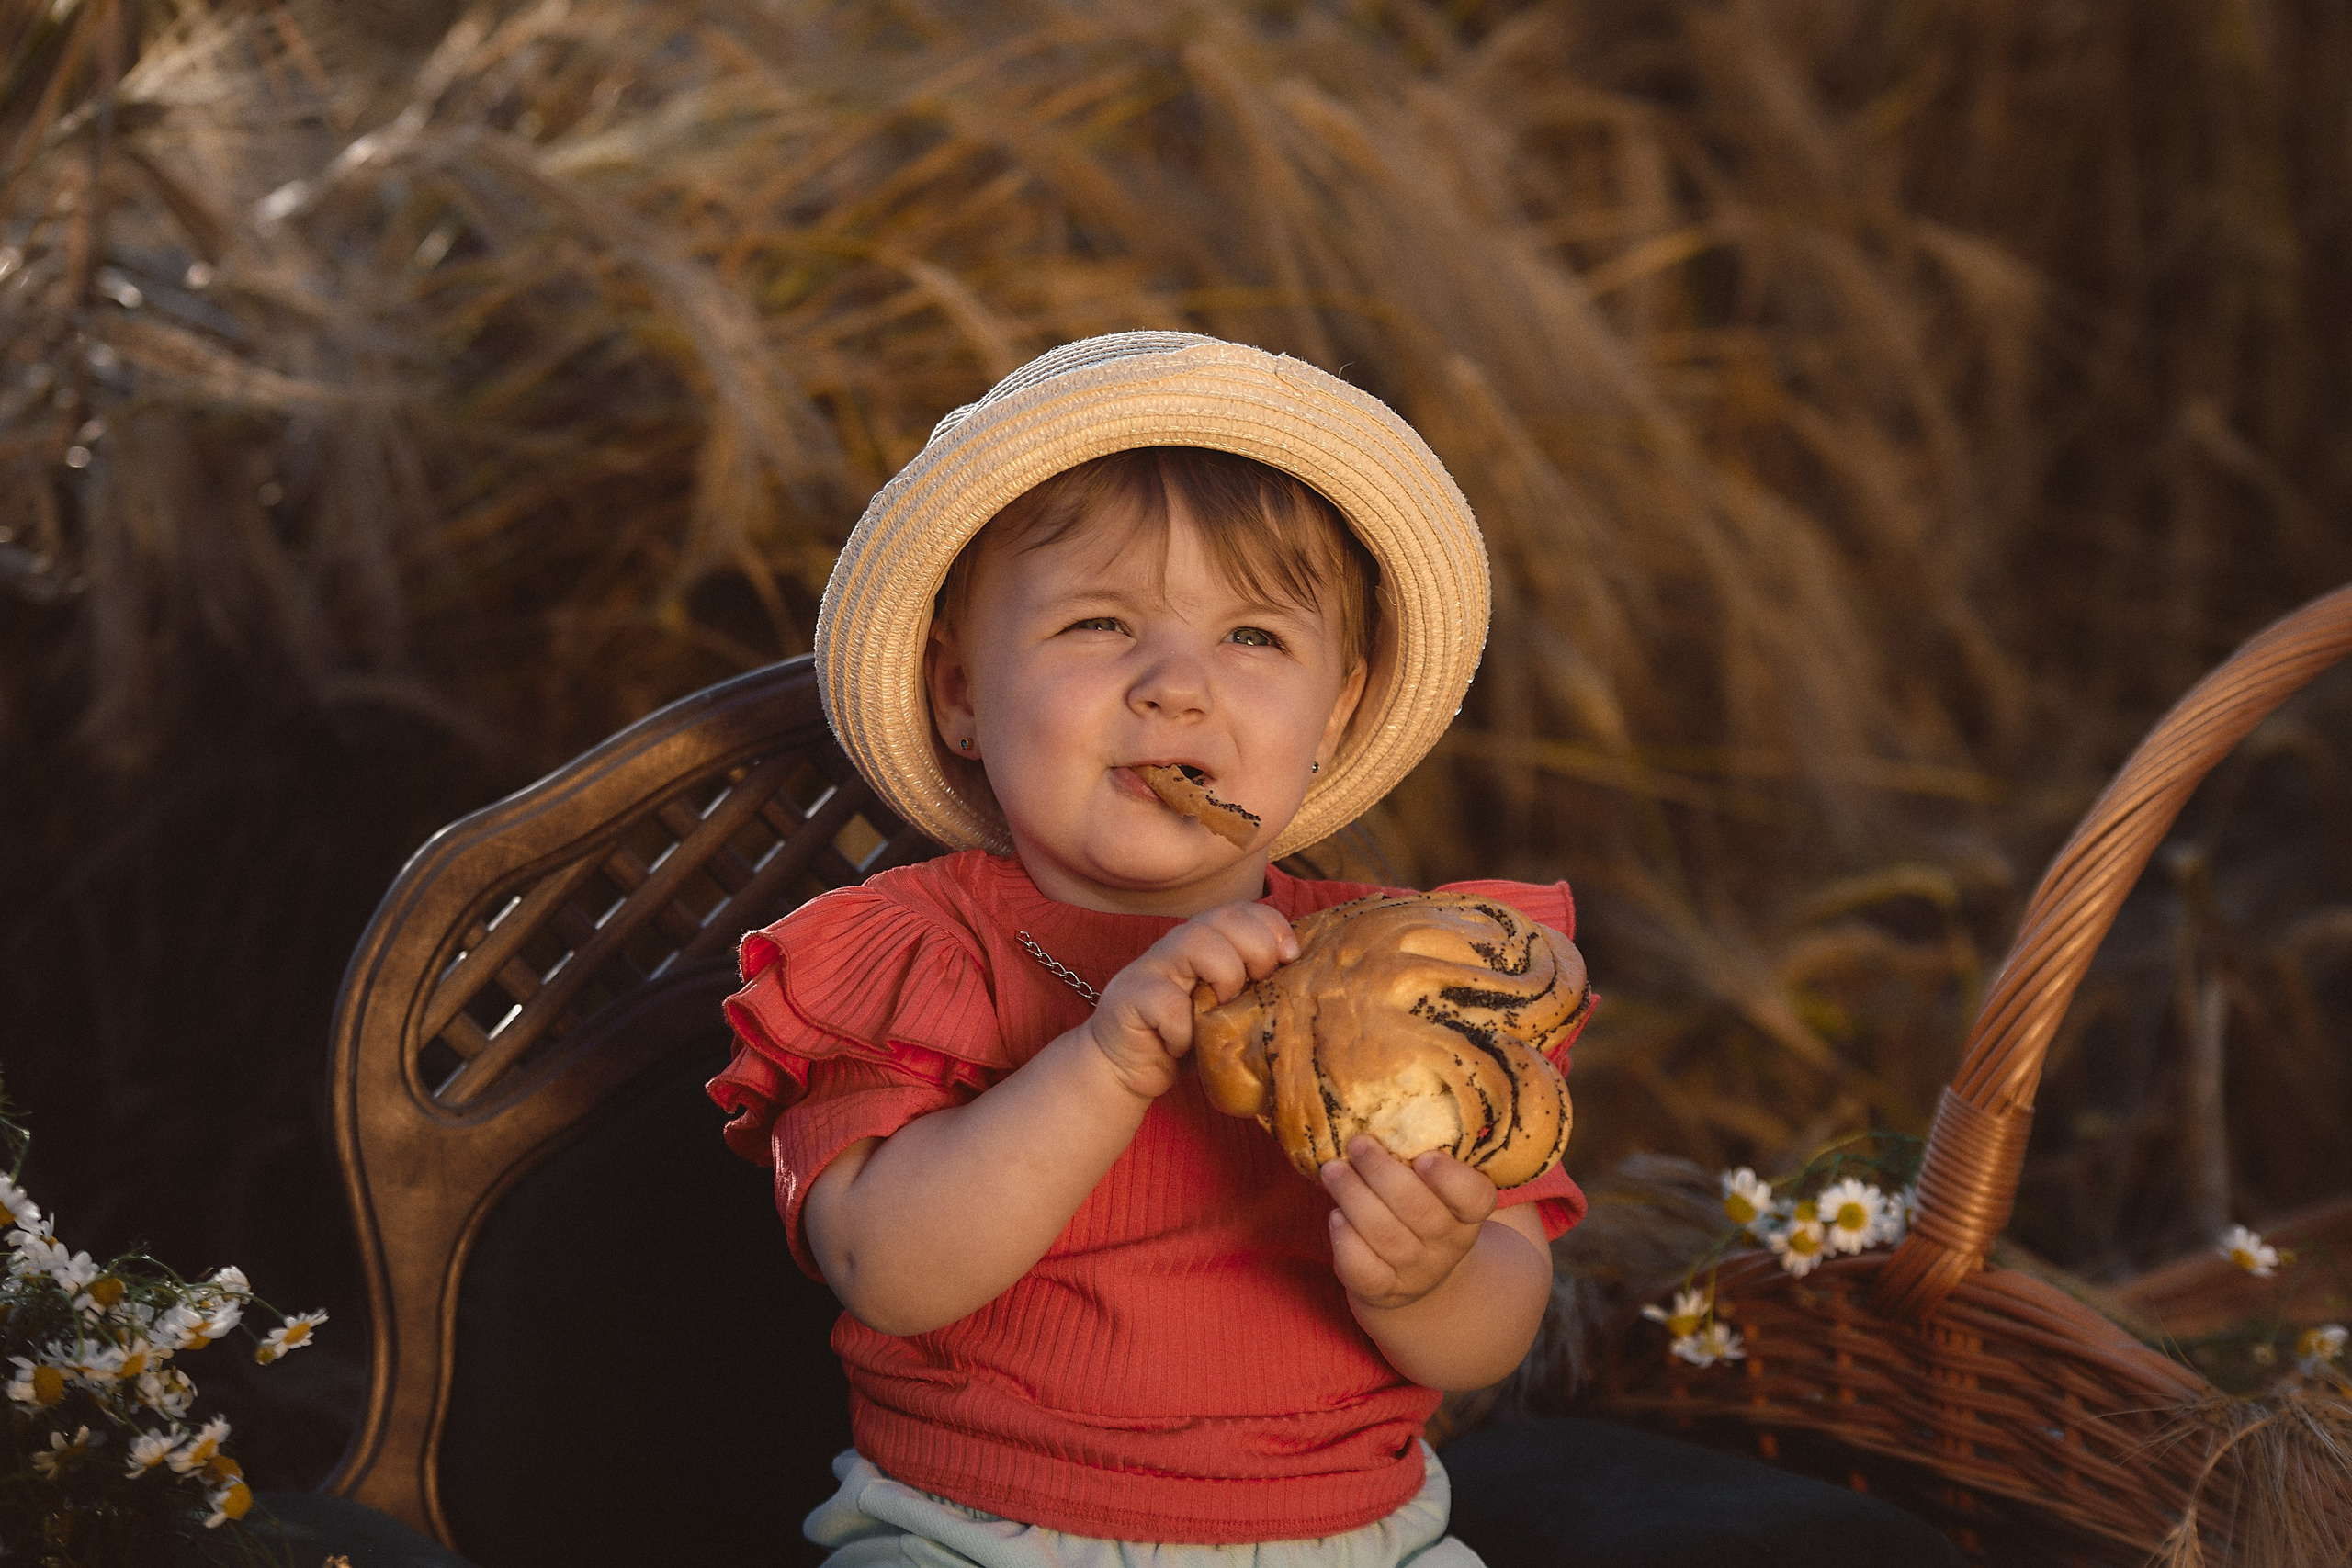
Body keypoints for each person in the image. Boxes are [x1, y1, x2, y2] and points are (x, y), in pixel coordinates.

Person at [709, 332, 1584, 1567]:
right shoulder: (914, 952)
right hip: (978, 1533)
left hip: (1351, 1535)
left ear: (1334, 712)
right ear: (961, 692)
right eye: (1100, 622)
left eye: (1255, 639)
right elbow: (886, 1269)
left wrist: (1427, 1278)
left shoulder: (1407, 970)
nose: (1177, 686)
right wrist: (1109, 1057)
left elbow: (1496, 1324)